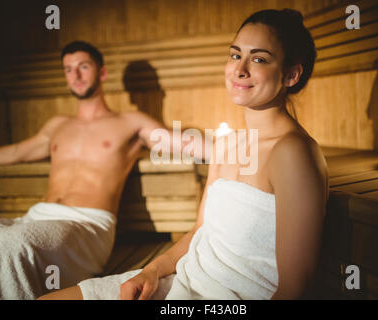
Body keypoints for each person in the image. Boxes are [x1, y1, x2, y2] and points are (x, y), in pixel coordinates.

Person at [39, 8, 328, 300]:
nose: (240, 69)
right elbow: (198, 232)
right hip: (184, 279)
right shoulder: (228, 146)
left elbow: (295, 288)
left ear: (291, 74)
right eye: (235, 54)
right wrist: (149, 272)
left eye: (259, 59)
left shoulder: (293, 152)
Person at [0, 41, 202, 300]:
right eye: (68, 69)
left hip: (85, 224)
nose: (76, 75)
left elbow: (178, 141)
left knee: (5, 245)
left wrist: (236, 147)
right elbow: (17, 152)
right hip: (34, 218)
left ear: (102, 73)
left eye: (83, 66)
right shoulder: (58, 125)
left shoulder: (129, 122)